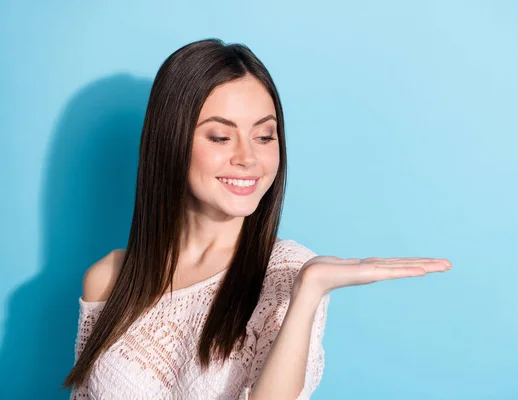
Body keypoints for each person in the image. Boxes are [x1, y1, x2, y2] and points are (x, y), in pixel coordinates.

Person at [62, 38, 451, 400]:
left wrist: (308, 292)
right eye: (220, 137)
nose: (248, 158)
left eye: (265, 136)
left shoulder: (289, 273)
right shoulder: (108, 278)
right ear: (170, 141)